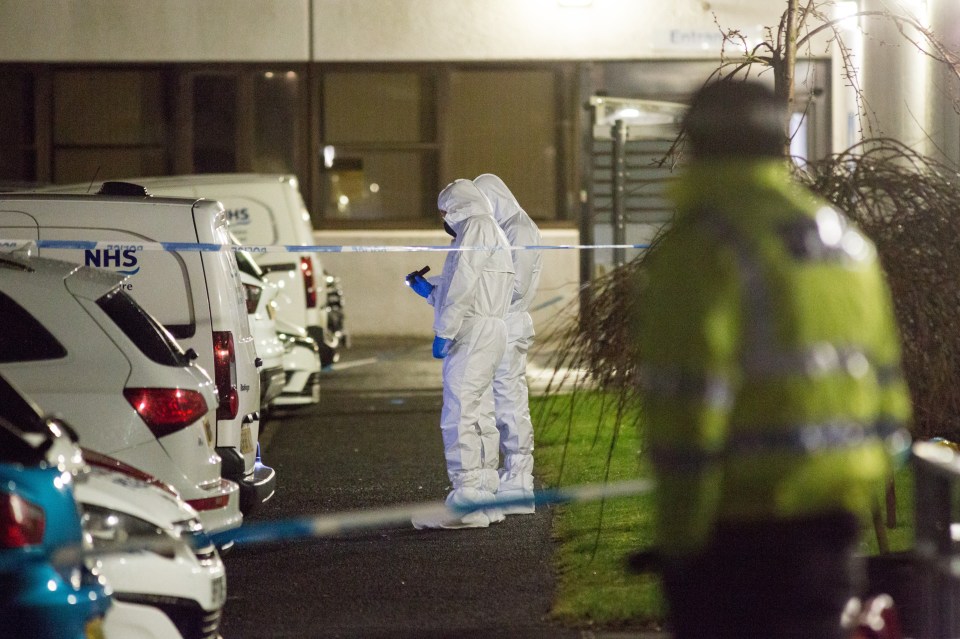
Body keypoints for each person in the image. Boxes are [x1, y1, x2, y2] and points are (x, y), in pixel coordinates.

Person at [628, 80, 912, 639]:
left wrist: (680, 542)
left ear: (697, 144)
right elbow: (887, 389)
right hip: (834, 525)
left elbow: (686, 407)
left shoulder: (702, 245)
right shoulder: (843, 242)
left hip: (739, 537)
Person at [406, 179, 515, 529]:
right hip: (490, 329)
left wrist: (445, 331)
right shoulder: (490, 229)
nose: (443, 218)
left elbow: (464, 285)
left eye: (443, 211)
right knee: (481, 412)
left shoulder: (475, 229)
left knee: (460, 413)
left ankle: (466, 501)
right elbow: (468, 285)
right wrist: (429, 291)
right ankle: (484, 496)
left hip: (473, 334)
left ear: (455, 207)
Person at [473, 173, 542, 515]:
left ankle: (519, 480)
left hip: (509, 323)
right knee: (502, 401)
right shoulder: (508, 227)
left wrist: (478, 290)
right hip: (503, 323)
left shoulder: (519, 228)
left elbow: (514, 285)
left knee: (510, 402)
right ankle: (512, 477)